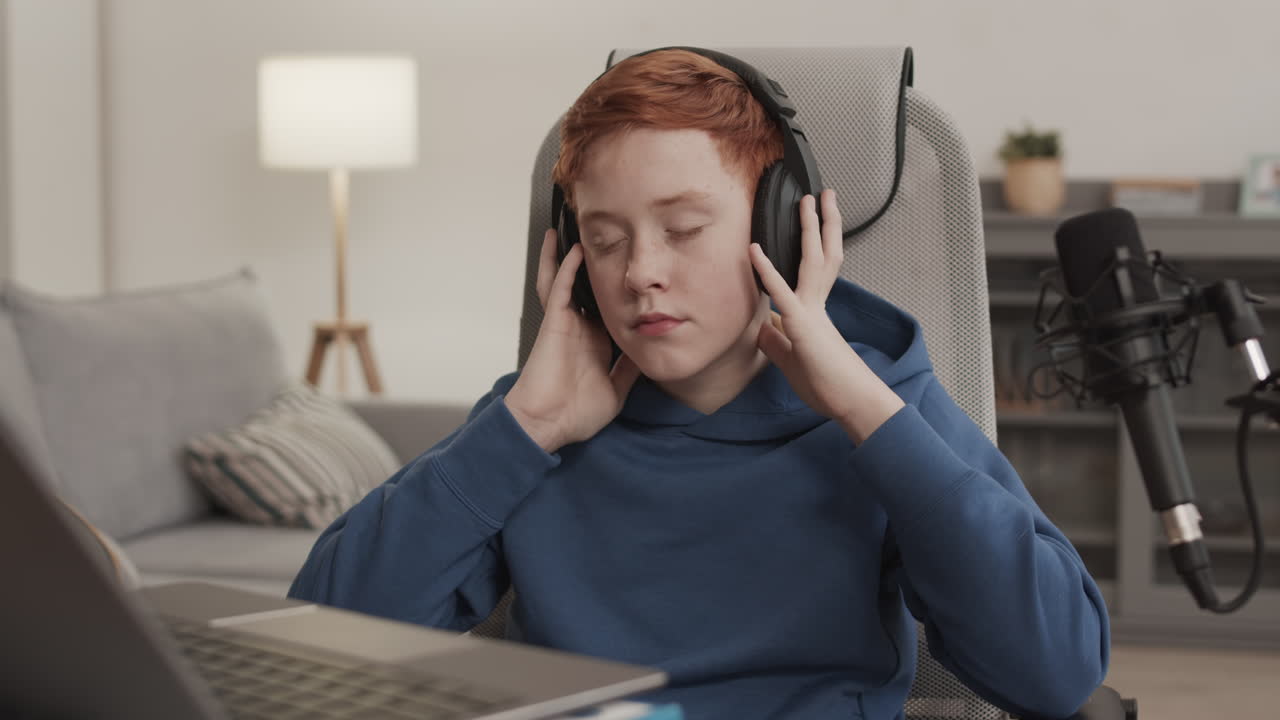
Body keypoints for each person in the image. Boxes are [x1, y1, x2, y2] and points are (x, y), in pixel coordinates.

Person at [289, 49, 1110, 720]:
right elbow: (317, 648)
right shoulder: (536, 420)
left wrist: (864, 412)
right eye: (605, 241)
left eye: (683, 230)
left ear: (783, 228)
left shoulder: (883, 405)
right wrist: (525, 427)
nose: (641, 273)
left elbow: (1057, 673)